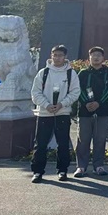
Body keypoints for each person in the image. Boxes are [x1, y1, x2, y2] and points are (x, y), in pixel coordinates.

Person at [29, 45, 81, 183]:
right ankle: (37, 172)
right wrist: (46, 105)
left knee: (63, 144)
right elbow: (35, 93)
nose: (57, 58)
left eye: (60, 55)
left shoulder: (71, 74)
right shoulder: (43, 73)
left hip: (62, 113)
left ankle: (62, 170)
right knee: (41, 144)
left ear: (65, 57)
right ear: (51, 56)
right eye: (55, 55)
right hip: (44, 113)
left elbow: (75, 92)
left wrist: (61, 104)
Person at [75, 46, 108, 178]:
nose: (96, 57)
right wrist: (86, 103)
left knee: (100, 139)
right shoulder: (83, 73)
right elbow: (77, 89)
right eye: (93, 55)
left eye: (99, 55)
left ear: (103, 58)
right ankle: (81, 167)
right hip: (84, 112)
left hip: (102, 111)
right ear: (89, 57)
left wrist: (98, 103)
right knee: (83, 139)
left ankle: (98, 165)